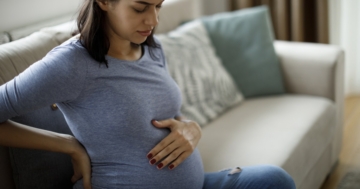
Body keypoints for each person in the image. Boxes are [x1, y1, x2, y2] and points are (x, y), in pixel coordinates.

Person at [0, 0, 296, 188]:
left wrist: (190, 129)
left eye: (159, 6)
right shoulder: (70, 63)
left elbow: (168, 113)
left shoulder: (152, 48)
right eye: (140, 8)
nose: (153, 20)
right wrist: (69, 145)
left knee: (274, 180)